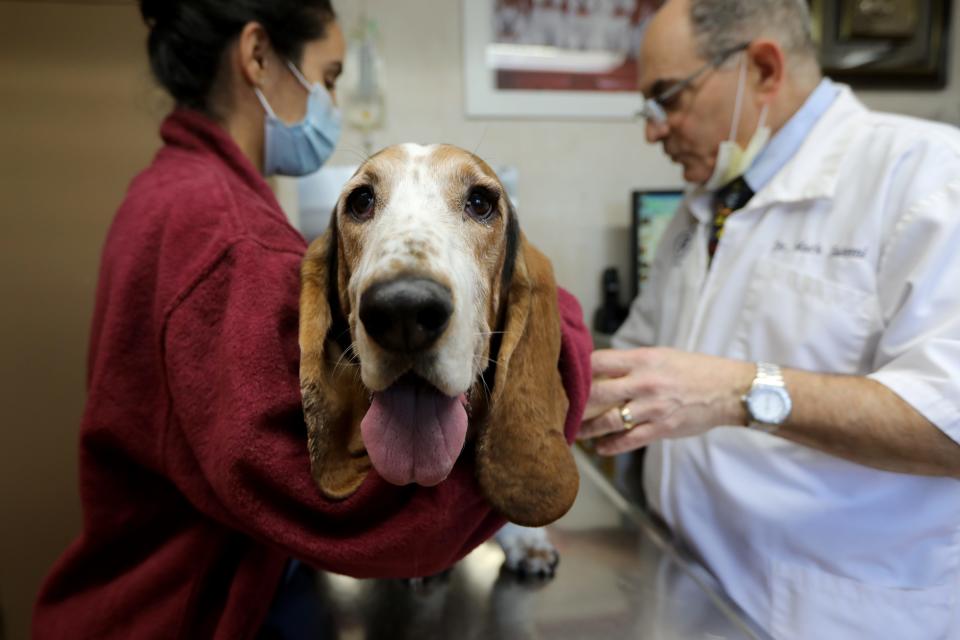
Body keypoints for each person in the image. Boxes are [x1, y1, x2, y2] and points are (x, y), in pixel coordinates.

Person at [32, 1, 593, 638]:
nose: (328, 103)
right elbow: (366, 522)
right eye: (327, 79)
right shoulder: (229, 237)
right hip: (189, 616)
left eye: (477, 203)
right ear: (259, 56)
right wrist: (567, 334)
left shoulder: (176, 194)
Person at [581, 0, 960, 637]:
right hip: (695, 589)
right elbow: (636, 356)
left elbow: (951, 424)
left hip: (837, 613)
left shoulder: (926, 179)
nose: (653, 129)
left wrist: (738, 392)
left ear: (762, 68)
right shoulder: (706, 206)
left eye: (668, 98)